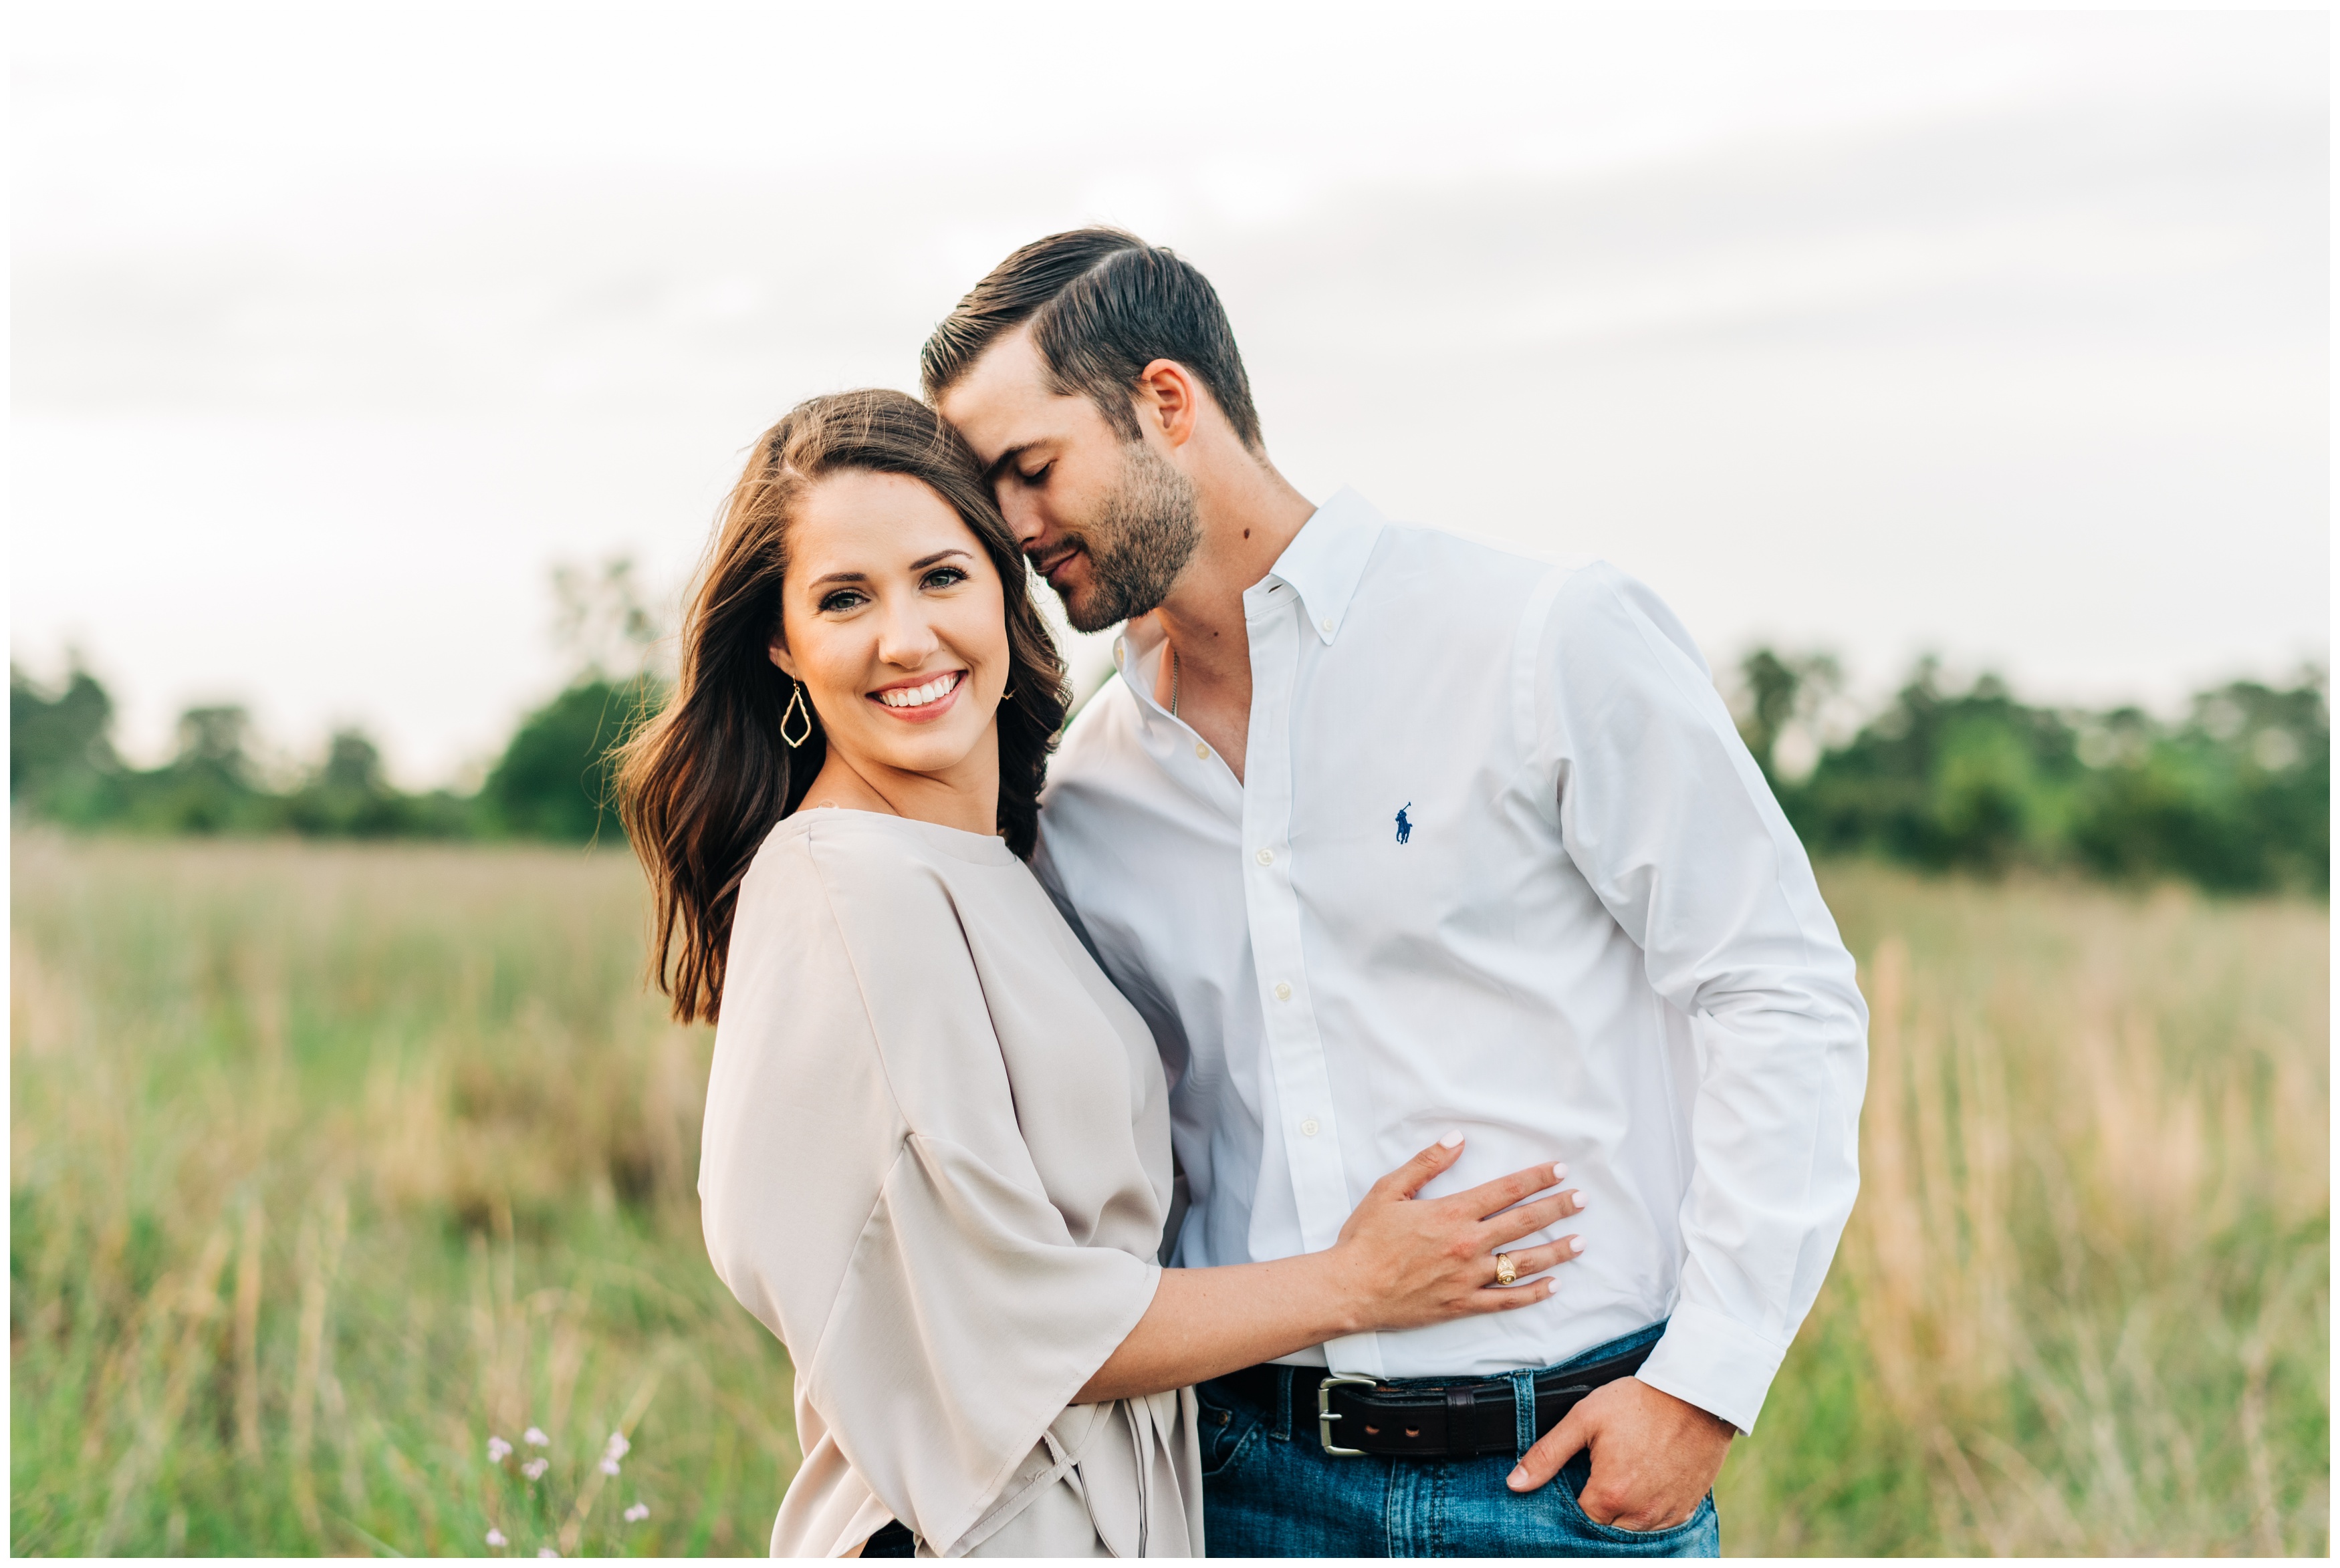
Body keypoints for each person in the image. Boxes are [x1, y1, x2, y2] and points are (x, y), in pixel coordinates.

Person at [925, 230, 1871, 1557]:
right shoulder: (1082, 798)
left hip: (1558, 1480)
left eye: (1031, 470)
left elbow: (1776, 985)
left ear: (1165, 404)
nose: (1015, 530)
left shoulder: (1537, 639)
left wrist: (1702, 1386)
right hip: (1241, 1484)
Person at [616, 388, 1591, 1557]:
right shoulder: (850, 887)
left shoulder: (999, 859)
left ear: (1002, 582)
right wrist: (1353, 1284)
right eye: (843, 599)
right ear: (782, 643)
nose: (907, 638)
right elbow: (1006, 1324)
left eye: (941, 576)